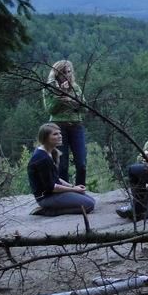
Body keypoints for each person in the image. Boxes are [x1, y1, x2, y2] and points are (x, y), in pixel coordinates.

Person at [27, 123, 95, 216]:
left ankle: (55, 207)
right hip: (46, 198)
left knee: (91, 200)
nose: (60, 136)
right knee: (88, 205)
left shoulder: (51, 152)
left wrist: (72, 187)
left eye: (60, 133)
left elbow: (56, 178)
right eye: (55, 134)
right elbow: (52, 187)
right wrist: (74, 190)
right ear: (45, 138)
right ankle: (48, 211)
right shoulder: (42, 158)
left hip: (54, 193)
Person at [43, 60, 87, 188]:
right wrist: (60, 95)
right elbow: (50, 110)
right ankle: (66, 194)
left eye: (69, 71)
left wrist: (70, 99)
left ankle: (81, 192)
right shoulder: (49, 88)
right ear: (56, 74)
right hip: (58, 127)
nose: (67, 74)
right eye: (63, 72)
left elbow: (85, 108)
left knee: (82, 164)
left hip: (76, 126)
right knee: (62, 165)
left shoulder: (76, 87)